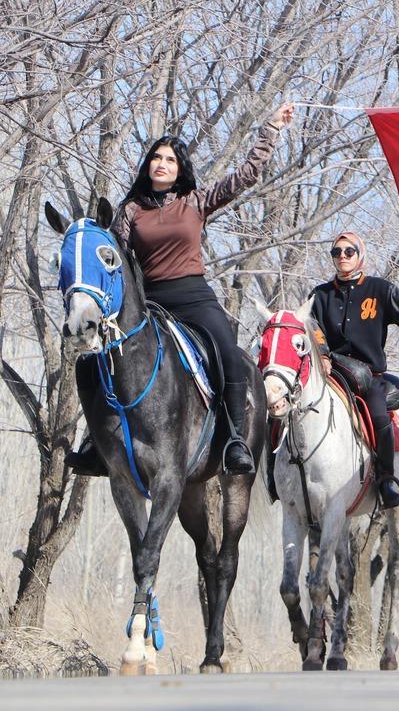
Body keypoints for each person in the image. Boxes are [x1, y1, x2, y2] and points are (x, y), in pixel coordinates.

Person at [68, 102, 295, 476]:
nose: (162, 164)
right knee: (92, 360)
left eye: (170, 160)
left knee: (227, 349)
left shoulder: (196, 202)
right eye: (156, 157)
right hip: (149, 302)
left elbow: (247, 174)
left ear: (179, 169)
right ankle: (96, 443)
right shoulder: (129, 211)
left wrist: (270, 129)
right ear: (148, 165)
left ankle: (236, 438)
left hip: (193, 297)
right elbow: (117, 260)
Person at [309, 232, 399, 510]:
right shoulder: (320, 295)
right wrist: (322, 352)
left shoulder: (380, 290)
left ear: (360, 254)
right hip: (329, 374)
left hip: (366, 378)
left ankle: (386, 479)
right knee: (288, 407)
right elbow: (310, 324)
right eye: (336, 252)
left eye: (349, 251)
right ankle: (275, 476)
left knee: (378, 415)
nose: (342, 257)